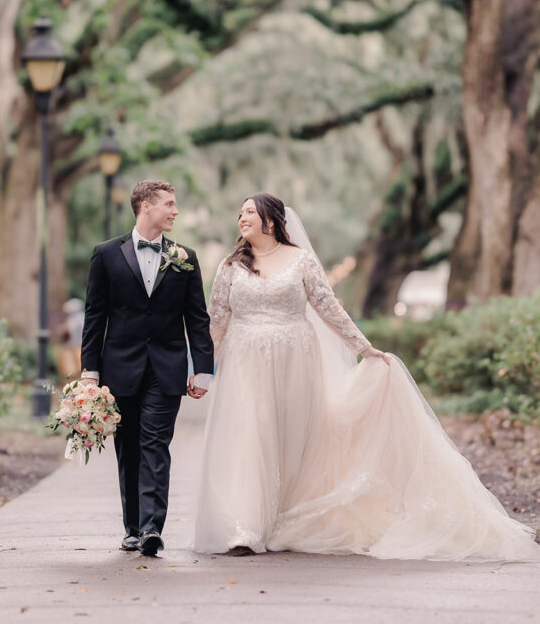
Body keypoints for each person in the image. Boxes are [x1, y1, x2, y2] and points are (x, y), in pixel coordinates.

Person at [194, 193, 538, 561]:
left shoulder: (300, 261)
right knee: (251, 434)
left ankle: (283, 518)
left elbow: (329, 308)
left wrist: (364, 348)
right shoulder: (231, 266)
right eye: (240, 212)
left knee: (291, 437)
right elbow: (217, 320)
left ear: (271, 220)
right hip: (245, 361)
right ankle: (244, 528)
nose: (242, 217)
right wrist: (202, 370)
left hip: (295, 360)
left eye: (250, 211)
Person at [81, 179, 214, 557]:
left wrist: (203, 369)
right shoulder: (106, 255)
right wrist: (89, 372)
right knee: (128, 448)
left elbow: (197, 318)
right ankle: (133, 528)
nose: (175, 211)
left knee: (155, 444)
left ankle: (152, 528)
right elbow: (95, 316)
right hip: (119, 369)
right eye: (169, 204)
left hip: (167, 368)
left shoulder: (185, 257)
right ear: (146, 207)